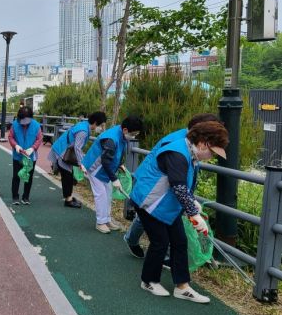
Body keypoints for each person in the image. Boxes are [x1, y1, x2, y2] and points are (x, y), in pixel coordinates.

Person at [131, 121, 228, 304]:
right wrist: (193, 212)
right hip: (148, 202)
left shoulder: (190, 152)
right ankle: (149, 281)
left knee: (180, 241)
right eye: (212, 152)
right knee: (160, 242)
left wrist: (192, 204)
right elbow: (179, 186)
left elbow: (184, 185)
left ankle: (182, 287)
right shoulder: (177, 152)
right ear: (202, 143)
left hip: (166, 205)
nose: (212, 157)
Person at [123, 113, 221, 259]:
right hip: (152, 183)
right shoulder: (179, 142)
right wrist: (191, 206)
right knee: (149, 215)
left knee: (153, 217)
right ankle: (145, 247)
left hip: (159, 183)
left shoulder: (190, 140)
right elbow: (177, 180)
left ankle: (160, 253)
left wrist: (189, 199)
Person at [82, 115, 144, 234]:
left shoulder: (121, 133)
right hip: (96, 168)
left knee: (108, 194)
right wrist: (114, 179)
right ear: (125, 130)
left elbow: (117, 153)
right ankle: (100, 222)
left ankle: (107, 219)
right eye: (133, 134)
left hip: (105, 168)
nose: (134, 136)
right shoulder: (111, 138)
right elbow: (105, 161)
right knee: (101, 195)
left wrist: (119, 164)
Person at [49, 111, 107, 209]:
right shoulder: (84, 132)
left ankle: (69, 197)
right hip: (63, 152)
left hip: (62, 149)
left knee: (68, 175)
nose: (101, 128)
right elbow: (77, 148)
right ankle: (68, 200)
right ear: (95, 122)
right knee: (67, 176)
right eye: (101, 125)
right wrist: (81, 164)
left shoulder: (84, 124)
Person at [8, 107, 42, 205]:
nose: (24, 124)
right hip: (18, 155)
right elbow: (10, 137)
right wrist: (16, 145)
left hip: (30, 157)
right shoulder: (15, 125)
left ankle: (26, 197)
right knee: (16, 176)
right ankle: (15, 196)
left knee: (29, 177)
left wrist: (33, 148)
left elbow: (39, 139)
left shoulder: (36, 126)